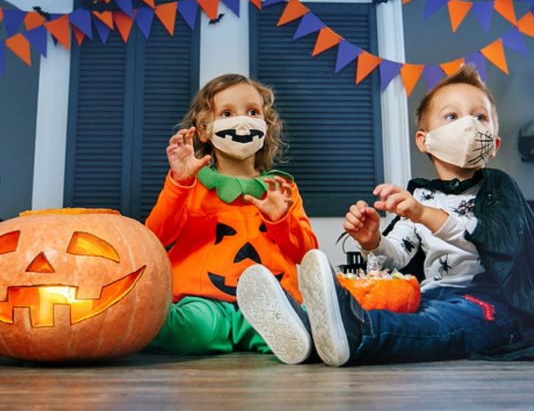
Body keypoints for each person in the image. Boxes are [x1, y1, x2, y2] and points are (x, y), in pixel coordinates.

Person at [237, 65, 534, 366]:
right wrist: (373, 241)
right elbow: (398, 257)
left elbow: (482, 239)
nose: (468, 124)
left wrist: (422, 214)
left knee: (435, 327)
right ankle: (308, 330)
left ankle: (360, 332)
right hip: (430, 294)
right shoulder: (420, 195)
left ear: (494, 144)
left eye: (480, 116)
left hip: (486, 303)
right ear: (424, 140)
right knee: (393, 311)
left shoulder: (498, 190)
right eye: (452, 116)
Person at [145, 73, 318, 356]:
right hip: (204, 301)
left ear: (265, 124)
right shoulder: (189, 183)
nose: (242, 121)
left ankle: (296, 334)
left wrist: (280, 220)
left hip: (269, 302)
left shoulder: (282, 188)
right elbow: (156, 238)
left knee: (284, 326)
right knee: (191, 329)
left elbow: (306, 253)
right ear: (204, 130)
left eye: (252, 112)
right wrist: (179, 183)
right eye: (227, 113)